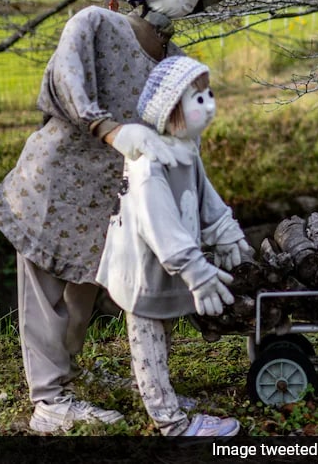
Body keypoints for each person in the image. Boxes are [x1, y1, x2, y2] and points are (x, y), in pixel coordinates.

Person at [0, 0, 230, 433]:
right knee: (45, 297)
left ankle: (69, 377)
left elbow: (180, 134)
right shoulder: (97, 24)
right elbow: (67, 81)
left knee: (82, 297)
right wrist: (108, 128)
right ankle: (50, 402)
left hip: (110, 200)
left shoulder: (176, 59)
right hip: (55, 182)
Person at [96, 55, 250, 437]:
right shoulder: (150, 164)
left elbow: (204, 197)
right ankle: (171, 423)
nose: (210, 105)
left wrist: (224, 231)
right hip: (144, 269)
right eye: (197, 99)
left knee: (162, 334)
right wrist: (196, 272)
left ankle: (157, 393)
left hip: (164, 268)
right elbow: (159, 225)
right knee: (148, 338)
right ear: (171, 109)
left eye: (209, 95)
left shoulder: (185, 152)